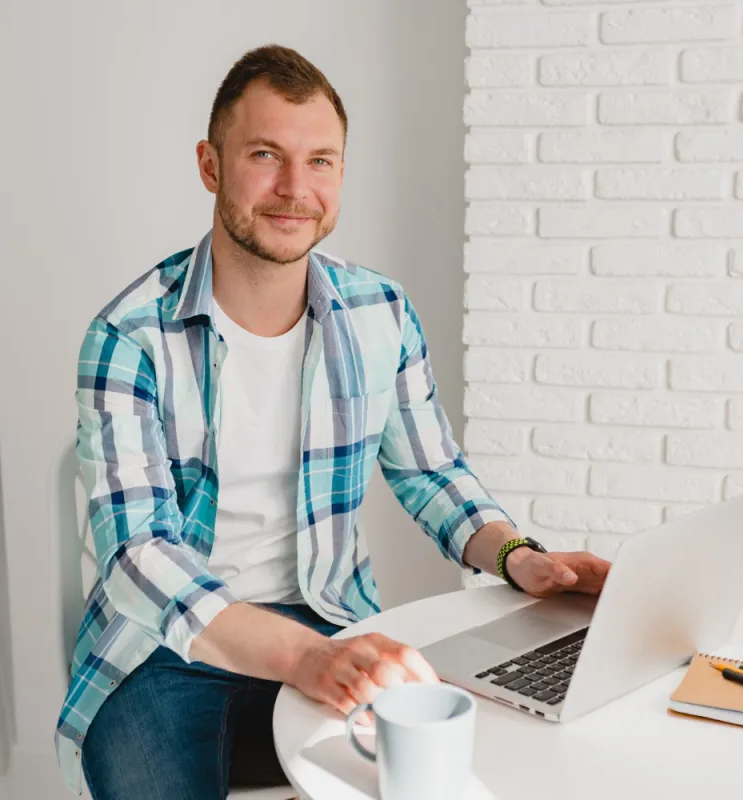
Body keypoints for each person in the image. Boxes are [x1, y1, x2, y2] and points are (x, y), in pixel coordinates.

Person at [55, 44, 611, 800]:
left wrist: (518, 556)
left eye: (321, 161)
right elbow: (136, 555)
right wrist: (297, 657)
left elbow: (429, 471)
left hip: (330, 621)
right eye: (265, 155)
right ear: (210, 166)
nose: (295, 188)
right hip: (160, 650)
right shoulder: (128, 338)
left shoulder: (379, 312)